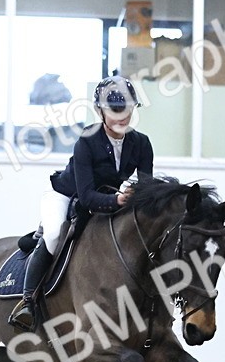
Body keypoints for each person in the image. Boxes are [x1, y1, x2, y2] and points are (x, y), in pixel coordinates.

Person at [8, 76, 154, 332]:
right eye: (115, 110)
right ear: (100, 111)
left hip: (107, 196)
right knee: (54, 236)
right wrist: (117, 199)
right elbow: (86, 196)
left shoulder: (141, 143)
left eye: (127, 110)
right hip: (66, 195)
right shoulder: (87, 141)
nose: (122, 117)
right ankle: (27, 301)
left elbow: (147, 188)